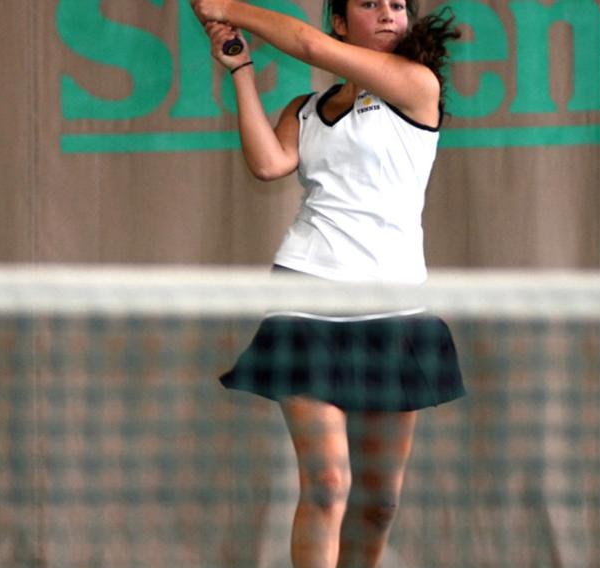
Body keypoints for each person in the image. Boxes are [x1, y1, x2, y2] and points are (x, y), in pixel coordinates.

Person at [190, 0, 465, 566]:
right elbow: (268, 164)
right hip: (307, 297)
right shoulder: (307, 109)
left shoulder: (417, 86)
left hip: (396, 311)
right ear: (341, 21)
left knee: (380, 502)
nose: (389, 13)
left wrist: (226, 8)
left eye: (397, 5)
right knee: (328, 483)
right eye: (370, 4)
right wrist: (240, 70)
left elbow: (309, 47)